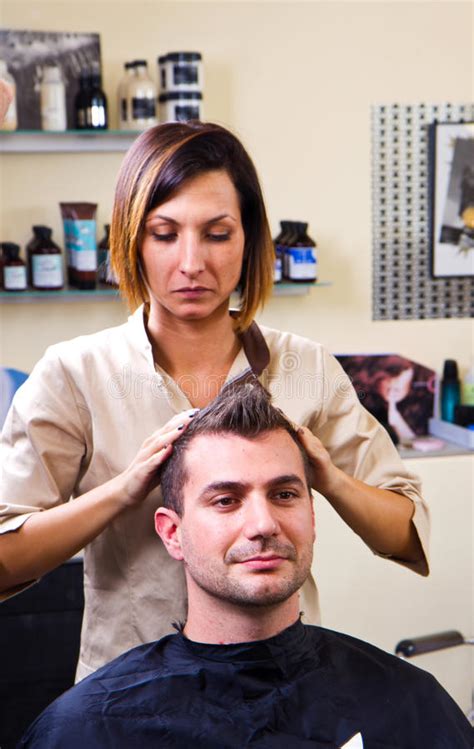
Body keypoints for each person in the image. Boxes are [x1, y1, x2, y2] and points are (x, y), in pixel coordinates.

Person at [1, 121, 430, 682]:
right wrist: (122, 492)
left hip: (282, 682)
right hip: (130, 690)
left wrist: (328, 477)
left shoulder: (304, 367)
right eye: (164, 233)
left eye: (217, 233)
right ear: (132, 239)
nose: (191, 263)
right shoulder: (76, 374)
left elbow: (404, 530)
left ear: (250, 237)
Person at [19, 383, 472, 748]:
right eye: (226, 500)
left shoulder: (405, 701)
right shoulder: (88, 728)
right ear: (172, 533)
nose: (263, 524)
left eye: (284, 495)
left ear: (312, 519)